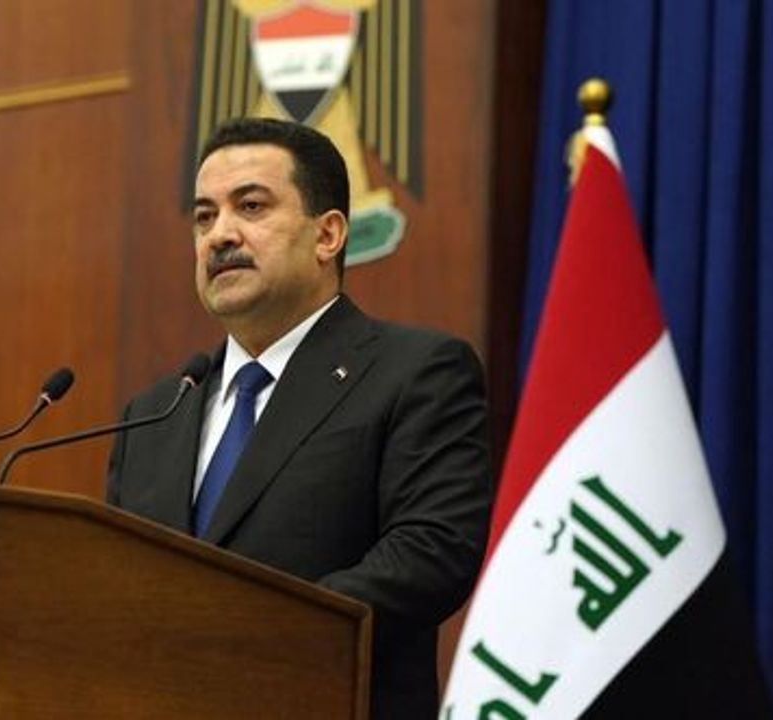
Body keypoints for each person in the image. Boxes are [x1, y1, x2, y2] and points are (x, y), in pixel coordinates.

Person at [106, 117, 491, 718]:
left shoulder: (416, 373)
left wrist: (244, 639)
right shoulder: (154, 415)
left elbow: (429, 555)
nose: (219, 235)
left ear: (328, 234)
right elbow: (114, 589)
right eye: (204, 217)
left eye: (251, 206)